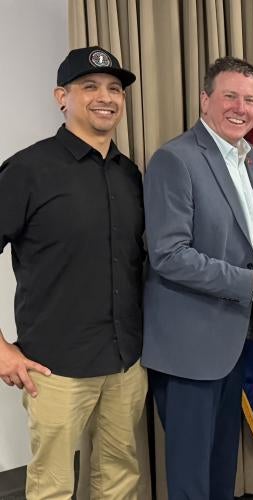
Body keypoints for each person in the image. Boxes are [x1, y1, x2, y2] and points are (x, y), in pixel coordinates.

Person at [142, 56, 253, 499]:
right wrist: (251, 281)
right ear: (205, 99)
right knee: (191, 479)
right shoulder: (175, 159)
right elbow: (169, 255)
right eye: (230, 96)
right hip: (189, 347)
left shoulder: (249, 158)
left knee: (220, 471)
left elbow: (251, 239)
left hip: (235, 339)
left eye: (250, 100)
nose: (241, 108)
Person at [0, 46, 147, 499]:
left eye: (114, 89)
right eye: (90, 87)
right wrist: (0, 349)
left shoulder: (130, 175)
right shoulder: (27, 169)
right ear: (61, 97)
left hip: (125, 363)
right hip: (55, 368)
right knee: (53, 488)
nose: (105, 97)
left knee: (119, 481)